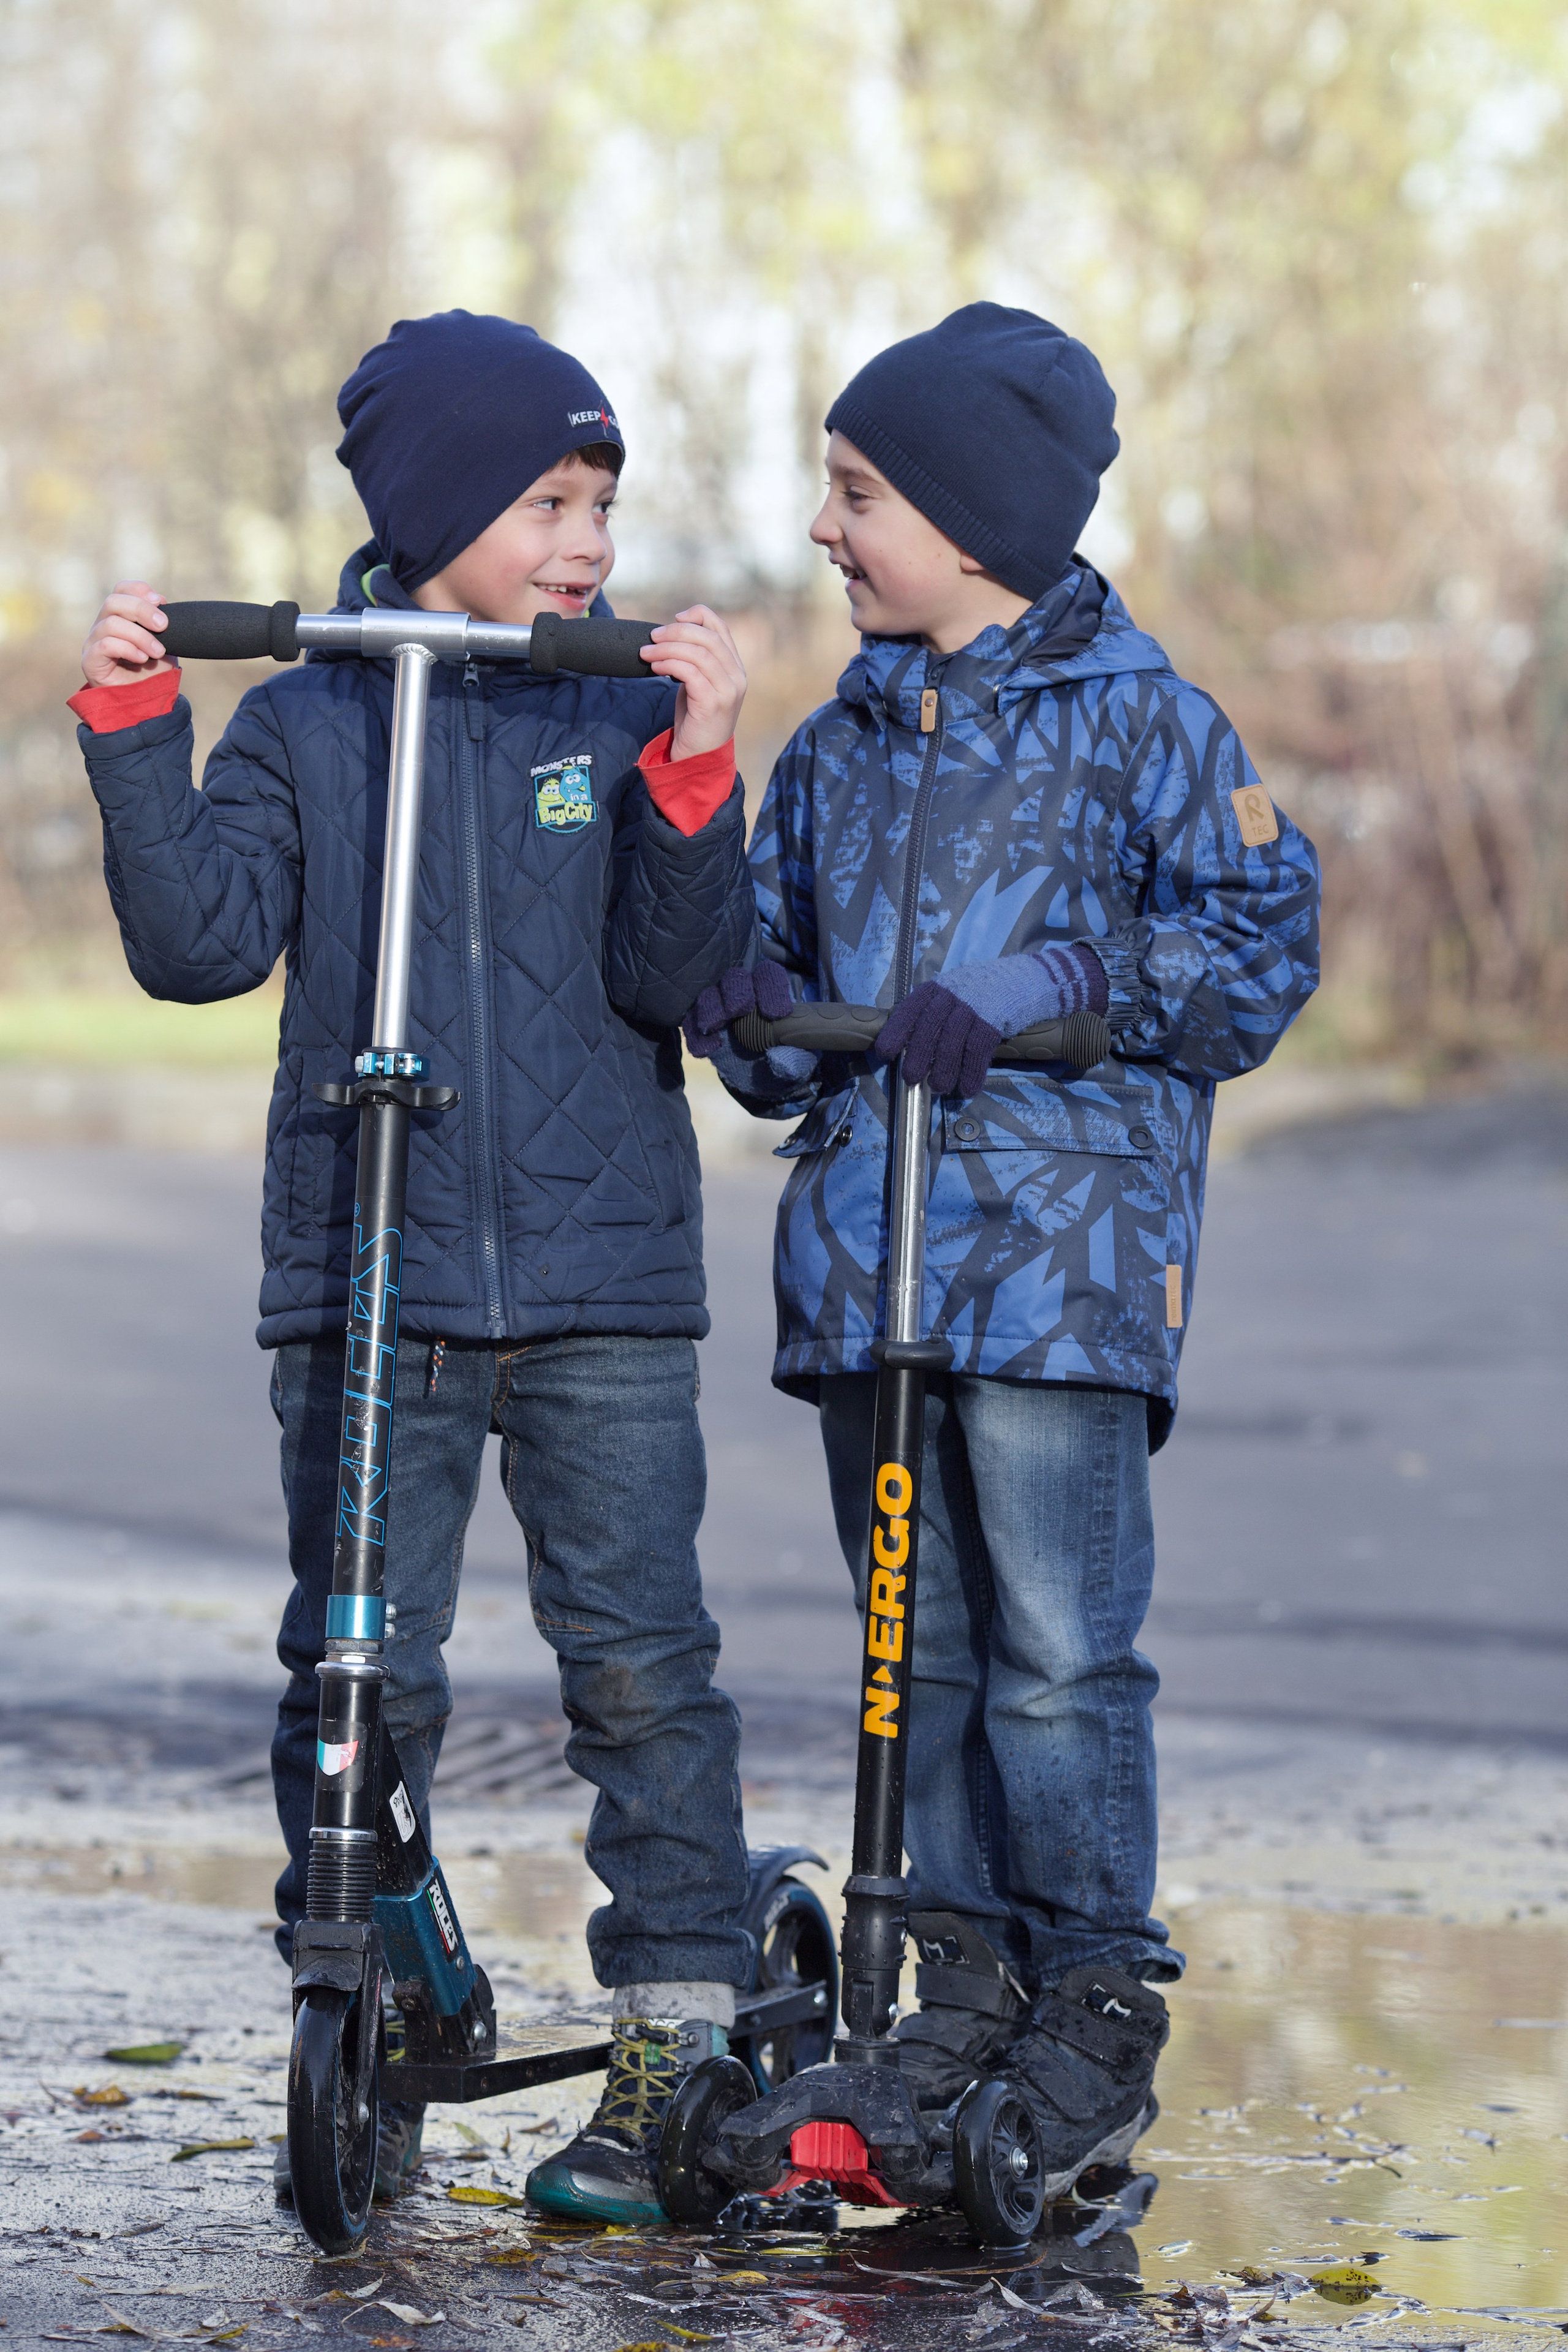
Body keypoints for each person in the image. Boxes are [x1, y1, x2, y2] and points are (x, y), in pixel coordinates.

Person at [72, 310, 759, 2226]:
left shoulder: (603, 705)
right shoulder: (304, 715)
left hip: (603, 1285)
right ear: (435, 507)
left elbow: (664, 977)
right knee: (362, 1679)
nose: (588, 545)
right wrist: (139, 734)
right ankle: (364, 1997)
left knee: (639, 1668)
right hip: (372, 1273)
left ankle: (677, 2030)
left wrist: (698, 769)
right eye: (548, 501)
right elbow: (199, 948)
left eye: (603, 503)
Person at [688, 303, 1321, 2191]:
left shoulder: (1148, 723)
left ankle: (1091, 1993)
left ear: (969, 522)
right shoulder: (839, 748)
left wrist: (1066, 977)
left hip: (1059, 1274)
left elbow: (1255, 951)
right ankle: (951, 1981)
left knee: (1054, 1653)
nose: (824, 526)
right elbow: (784, 999)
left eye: (858, 492)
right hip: (874, 1272)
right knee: (920, 1648)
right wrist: (752, 1003)